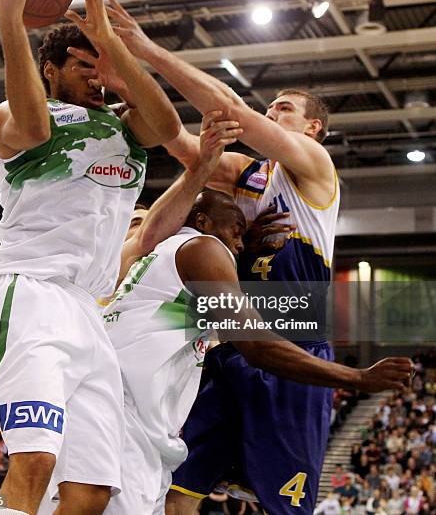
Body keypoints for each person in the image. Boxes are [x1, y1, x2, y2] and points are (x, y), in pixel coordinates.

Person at [0, 0, 180, 515]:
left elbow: (167, 125)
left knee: (90, 491)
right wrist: (9, 20)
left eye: (101, 71)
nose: (98, 80)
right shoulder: (11, 115)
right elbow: (34, 127)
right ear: (49, 70)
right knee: (35, 459)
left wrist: (110, 43)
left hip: (87, 308)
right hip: (29, 290)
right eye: (84, 68)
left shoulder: (125, 127)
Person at [99, 188, 411, 515]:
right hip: (128, 410)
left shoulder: (158, 260)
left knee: (131, 500)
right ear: (203, 221)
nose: (241, 239)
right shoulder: (203, 248)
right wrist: (357, 377)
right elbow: (258, 347)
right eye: (237, 227)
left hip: (118, 402)